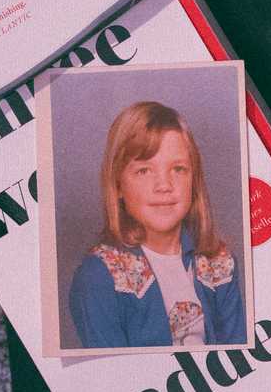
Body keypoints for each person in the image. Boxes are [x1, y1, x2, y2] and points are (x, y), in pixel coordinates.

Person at [69, 101, 246, 349]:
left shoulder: (218, 263)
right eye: (144, 171)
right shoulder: (99, 277)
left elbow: (240, 352)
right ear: (118, 184)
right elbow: (110, 377)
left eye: (178, 169)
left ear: (193, 180)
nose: (164, 185)